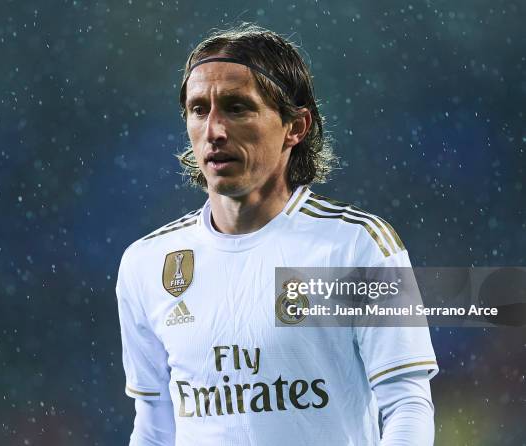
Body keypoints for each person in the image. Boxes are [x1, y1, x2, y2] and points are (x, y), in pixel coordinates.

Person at [116, 23, 437, 445]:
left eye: (236, 107)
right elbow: (155, 423)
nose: (214, 130)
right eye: (199, 109)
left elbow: (406, 405)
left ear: (295, 126)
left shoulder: (355, 246)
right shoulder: (146, 263)